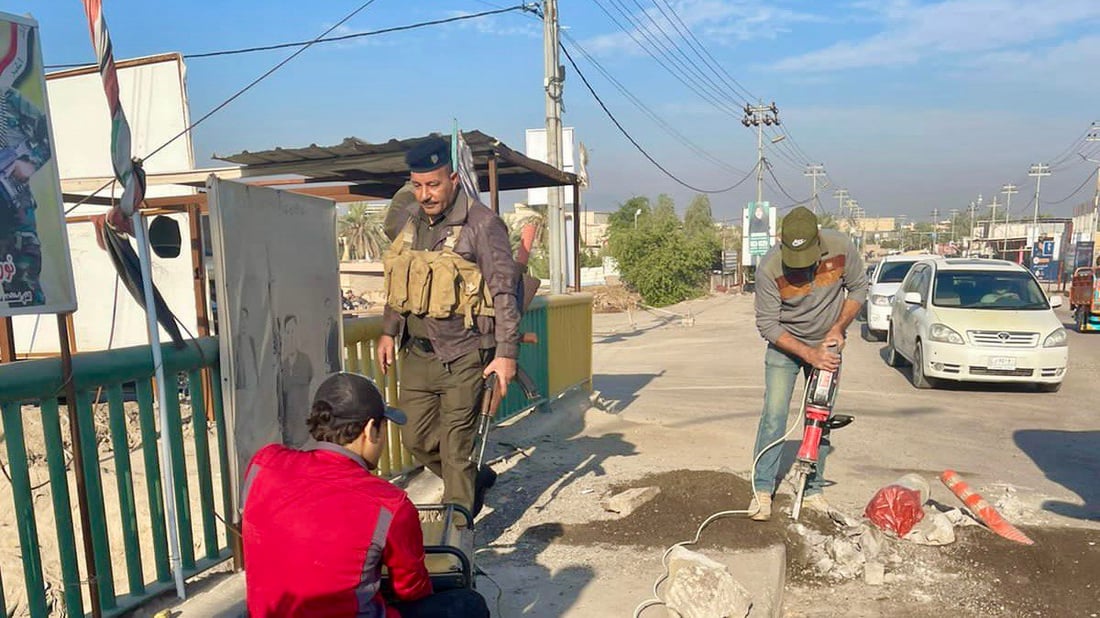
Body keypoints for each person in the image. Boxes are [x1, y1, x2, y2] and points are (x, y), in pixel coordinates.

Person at [242, 372, 490, 618]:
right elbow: (412, 589)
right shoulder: (390, 504)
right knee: (468, 604)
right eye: (383, 427)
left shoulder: (263, 464)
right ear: (371, 429)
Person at [377, 136, 520, 518]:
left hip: (465, 354)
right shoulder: (411, 221)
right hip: (418, 354)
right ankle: (472, 479)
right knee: (415, 438)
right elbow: (400, 283)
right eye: (418, 185)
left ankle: (458, 534)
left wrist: (506, 355)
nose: (425, 194)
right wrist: (389, 330)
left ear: (453, 179)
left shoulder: (483, 224)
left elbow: (505, 293)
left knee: (456, 447)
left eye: (433, 184)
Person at [750, 206, 868, 521]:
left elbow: (858, 288)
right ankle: (762, 489)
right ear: (781, 241)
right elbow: (768, 326)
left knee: (820, 419)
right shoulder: (769, 267)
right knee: (774, 416)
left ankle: (813, 490)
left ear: (818, 240)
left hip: (827, 347)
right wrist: (807, 353)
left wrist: (837, 328)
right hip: (784, 347)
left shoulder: (841, 247)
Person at [0, 87, 52, 308]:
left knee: (25, 295)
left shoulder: (7, 99)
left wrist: (30, 161)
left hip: (14, 221)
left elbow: (47, 132)